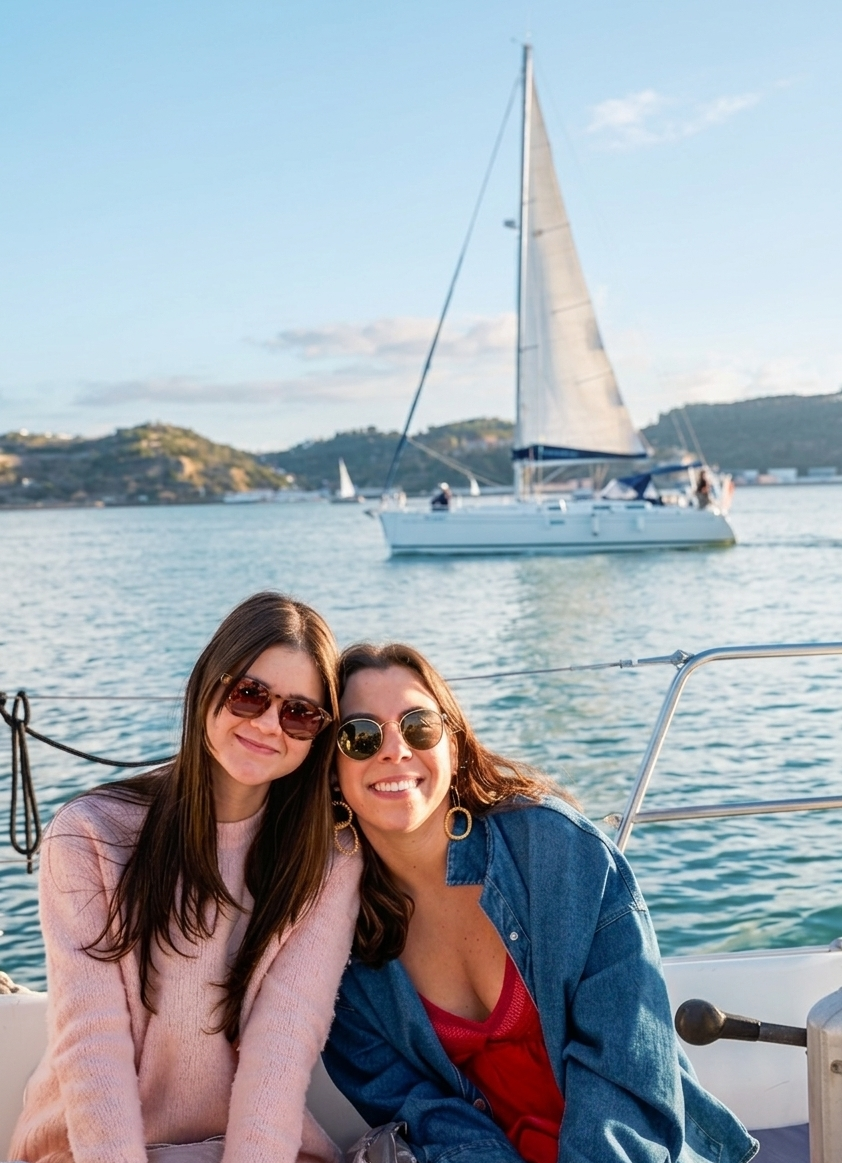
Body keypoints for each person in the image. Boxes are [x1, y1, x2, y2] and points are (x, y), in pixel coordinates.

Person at [322, 643, 757, 1163]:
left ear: (454, 746)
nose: (394, 750)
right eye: (361, 736)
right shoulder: (334, 940)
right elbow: (423, 1114)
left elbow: (630, 1072)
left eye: (418, 726)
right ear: (332, 769)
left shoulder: (556, 852)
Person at [11, 592, 361, 1163]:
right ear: (208, 686)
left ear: (318, 734)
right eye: (250, 695)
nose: (270, 725)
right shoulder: (89, 835)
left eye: (299, 712)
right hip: (90, 1148)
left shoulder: (330, 859)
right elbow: (91, 1041)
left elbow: (284, 1041)